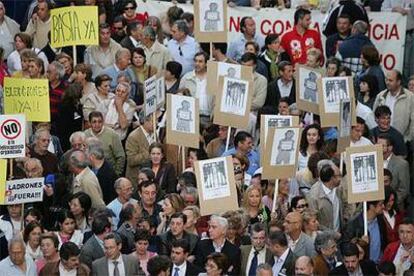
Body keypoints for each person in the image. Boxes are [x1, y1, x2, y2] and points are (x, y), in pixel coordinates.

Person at [373, 69, 414, 143]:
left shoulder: (410, 98)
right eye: (386, 80)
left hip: (402, 142)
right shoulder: (380, 96)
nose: (387, 82)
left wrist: (407, 139)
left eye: (390, 80)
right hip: (382, 141)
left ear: (398, 82)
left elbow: (413, 122)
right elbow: (375, 117)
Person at [84, 111, 125, 176]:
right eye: (94, 122)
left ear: (103, 122)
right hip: (90, 173)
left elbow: (121, 156)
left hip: (109, 173)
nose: (97, 124)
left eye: (99, 122)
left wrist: (116, 174)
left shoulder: (112, 134)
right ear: (89, 123)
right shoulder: (85, 135)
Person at [179, 51, 213, 129]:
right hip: (191, 117)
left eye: (200, 61)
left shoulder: (213, 78)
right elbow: (179, 96)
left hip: (208, 118)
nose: (197, 64)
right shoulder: (186, 78)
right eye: (196, 61)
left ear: (206, 63)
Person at [307, 159, 343, 231]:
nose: (340, 179)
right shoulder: (314, 195)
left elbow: (346, 205)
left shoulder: (339, 189)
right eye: (339, 176)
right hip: (325, 239)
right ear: (332, 178)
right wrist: (331, 235)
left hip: (340, 235)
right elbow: (313, 221)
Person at [376, 134, 410, 208]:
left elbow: (404, 190)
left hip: (394, 207)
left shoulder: (401, 164)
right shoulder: (373, 161)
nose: (378, 148)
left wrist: (390, 203)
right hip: (376, 207)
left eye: (382, 146)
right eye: (377, 145)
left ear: (390, 148)